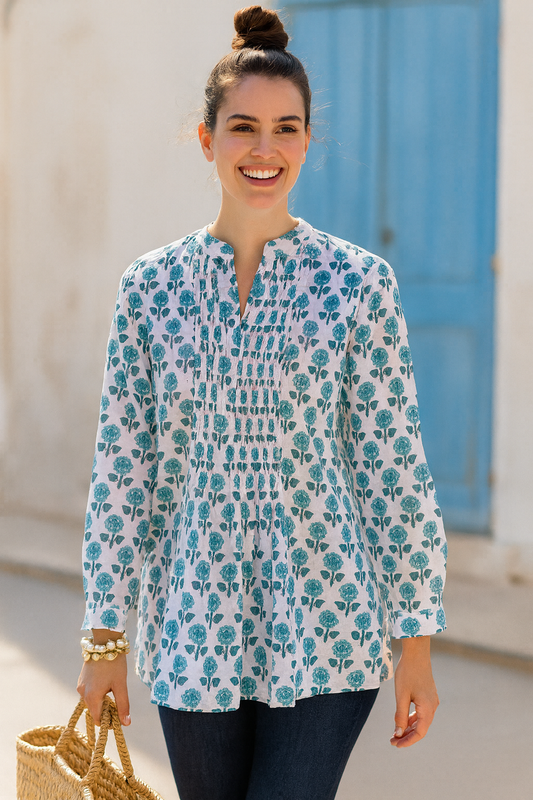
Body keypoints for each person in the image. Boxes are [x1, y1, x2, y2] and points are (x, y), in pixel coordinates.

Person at [77, 6, 447, 799]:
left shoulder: (356, 285)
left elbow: (394, 470)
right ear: (207, 140)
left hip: (329, 624)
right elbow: (121, 473)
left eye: (287, 128)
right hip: (189, 627)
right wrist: (104, 637)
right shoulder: (149, 290)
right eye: (244, 127)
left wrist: (412, 638)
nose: (265, 149)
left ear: (307, 142)